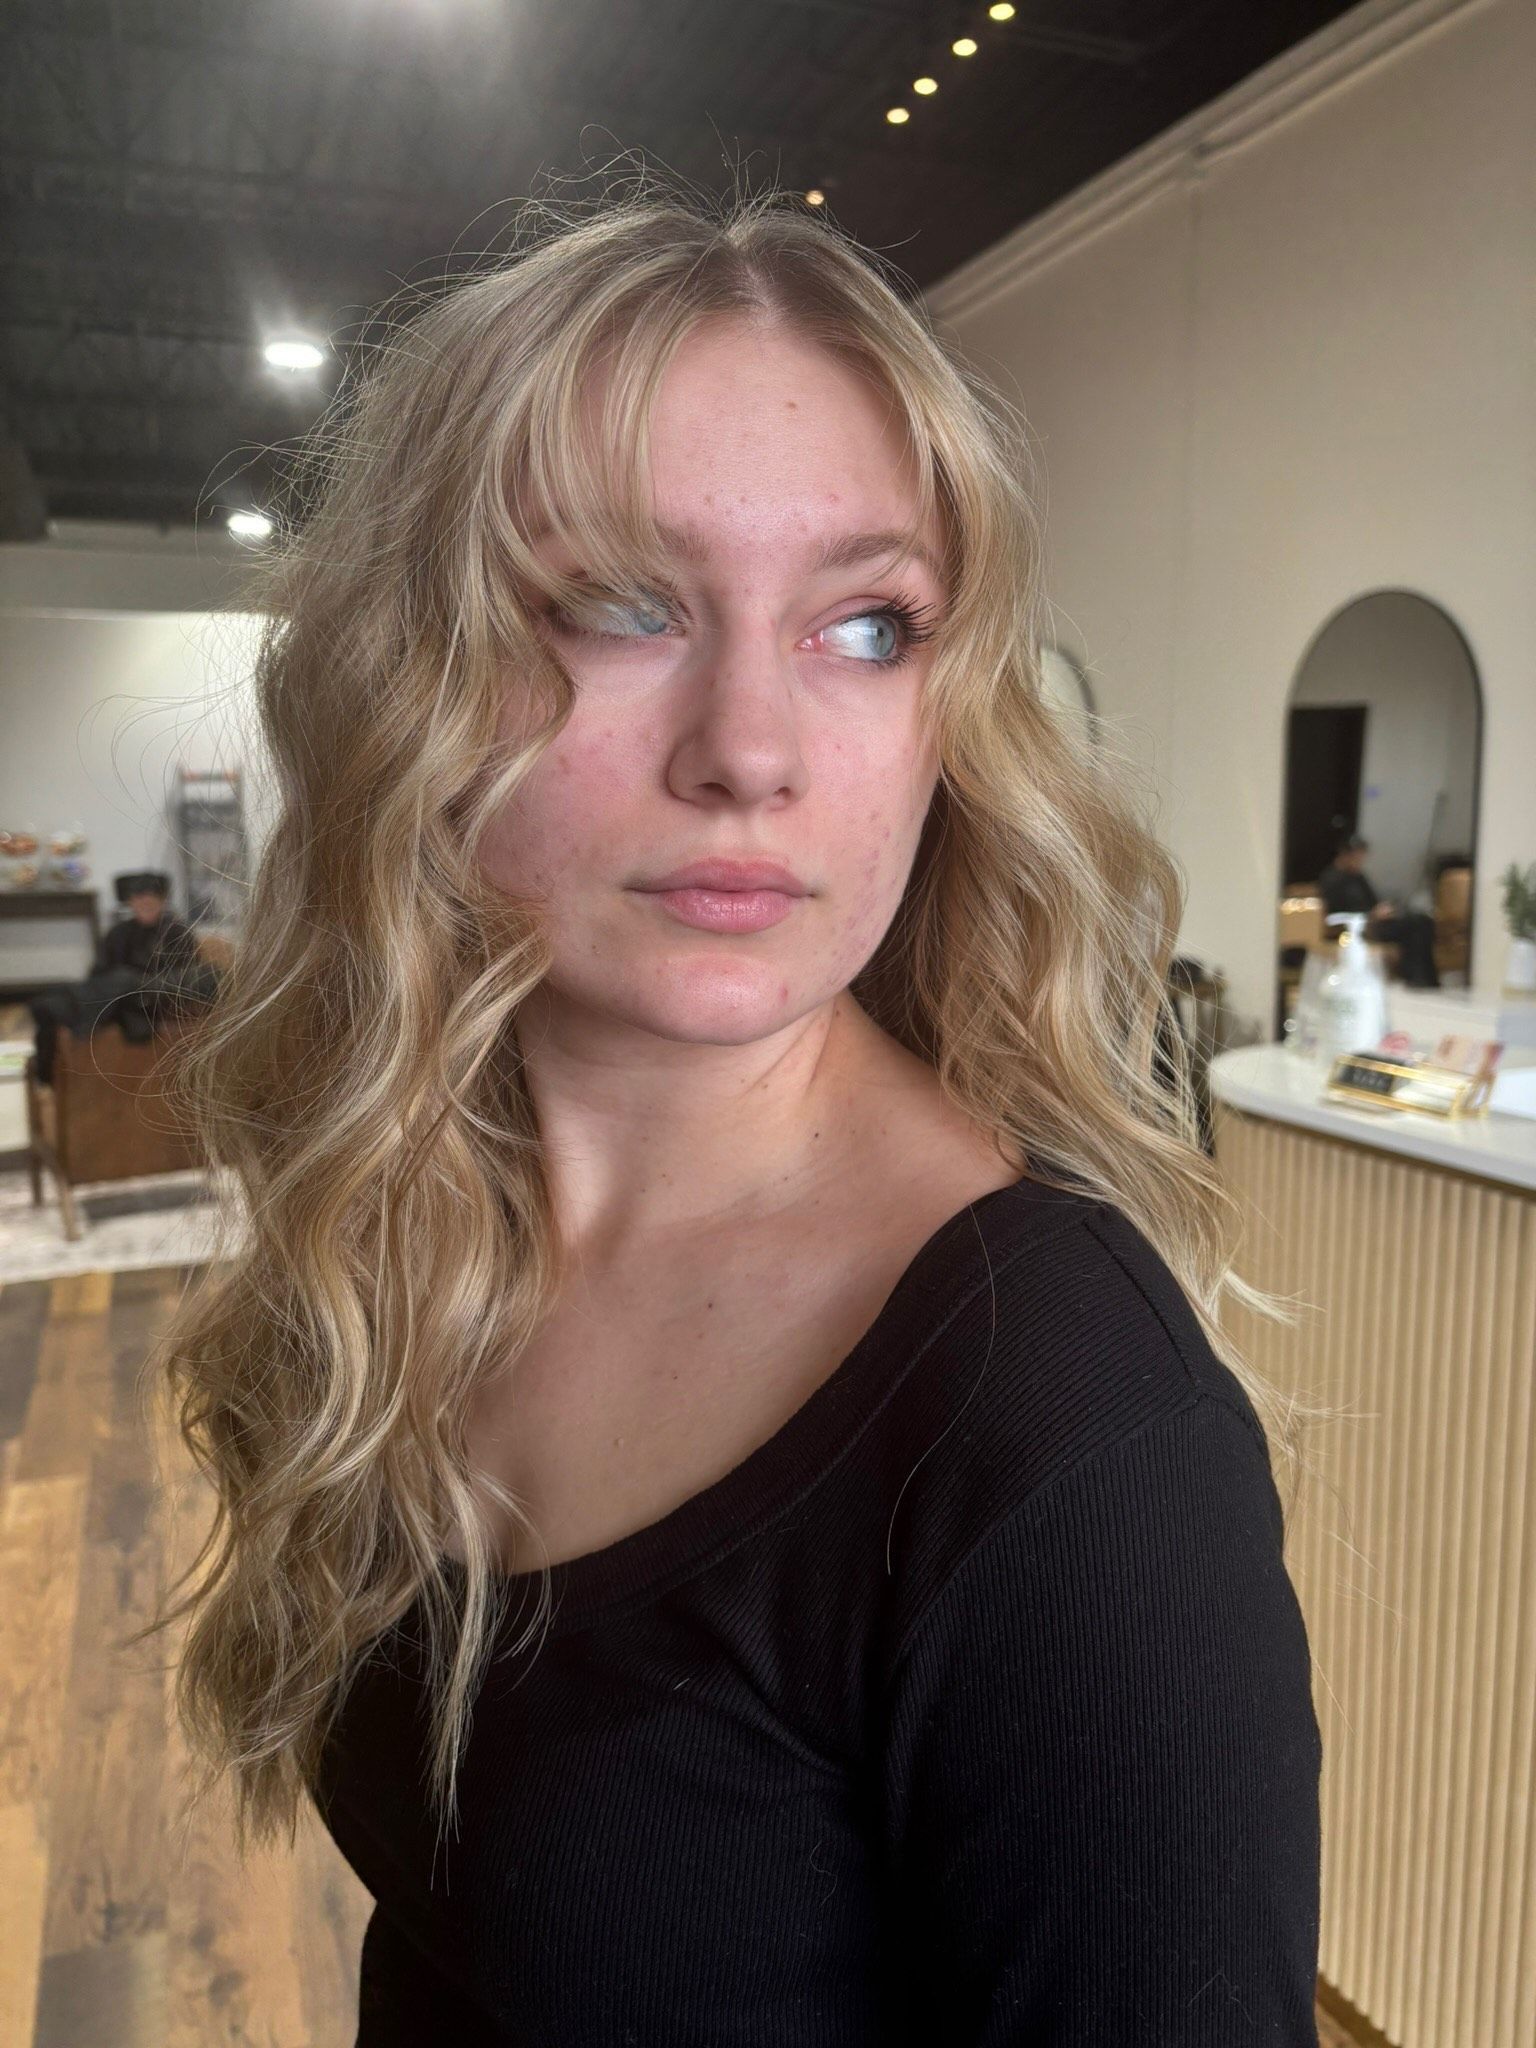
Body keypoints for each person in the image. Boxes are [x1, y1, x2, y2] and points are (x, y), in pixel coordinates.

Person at [137, 180, 1326, 2045]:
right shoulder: (422, 1209)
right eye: (619, 606)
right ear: (408, 668)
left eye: (867, 624)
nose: (751, 749)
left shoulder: (1065, 1435)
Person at [25, 871, 216, 1086]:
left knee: (126, 981)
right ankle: (45, 1076)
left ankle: (68, 1001)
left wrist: (138, 984)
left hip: (155, 999)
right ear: (130, 901)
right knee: (56, 1006)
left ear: (162, 900)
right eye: (139, 897)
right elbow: (99, 975)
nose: (145, 902)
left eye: (152, 897)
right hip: (117, 1001)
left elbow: (187, 979)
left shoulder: (178, 932)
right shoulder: (118, 933)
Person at [1316, 834, 1441, 986]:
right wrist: (1370, 915)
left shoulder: (1359, 877)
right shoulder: (1332, 880)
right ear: (1345, 855)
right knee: (1415, 925)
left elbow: (1373, 901)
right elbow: (1334, 914)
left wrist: (1383, 910)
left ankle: (1424, 976)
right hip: (1360, 927)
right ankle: (1417, 975)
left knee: (1422, 921)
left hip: (1376, 922)